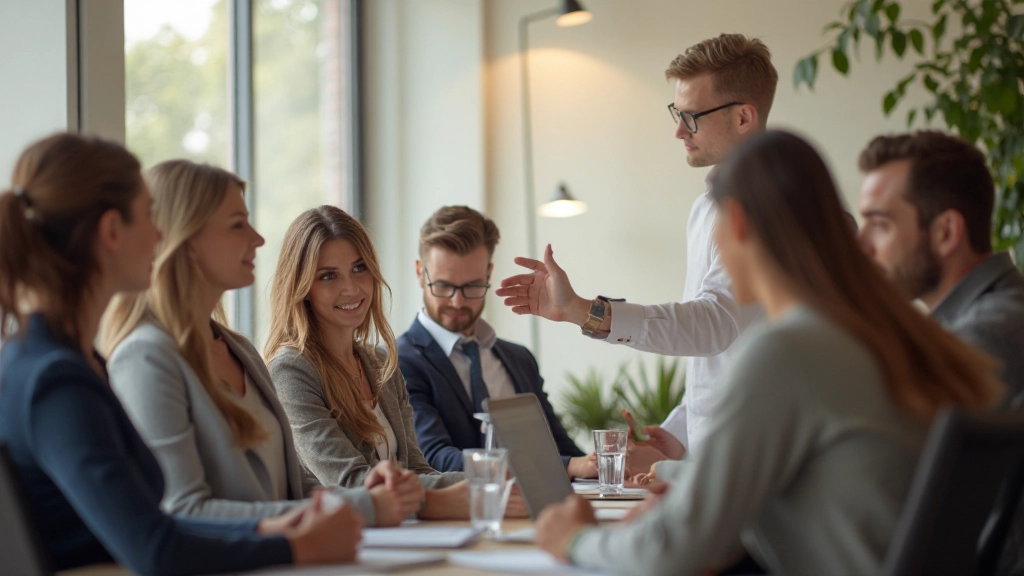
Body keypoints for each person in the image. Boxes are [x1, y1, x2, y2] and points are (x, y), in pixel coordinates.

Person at [533, 130, 1004, 576]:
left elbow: (672, 549)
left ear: (735, 222)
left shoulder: (791, 351)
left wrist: (575, 538)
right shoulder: (882, 336)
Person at [0, 133, 361, 575]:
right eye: (148, 216)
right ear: (112, 231)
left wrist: (284, 532)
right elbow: (154, 548)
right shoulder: (56, 379)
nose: (159, 234)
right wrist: (295, 546)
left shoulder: (63, 361)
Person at [496, 33, 777, 465]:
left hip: (753, 464)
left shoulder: (764, 204)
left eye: (692, 116)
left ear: (743, 117)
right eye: (676, 113)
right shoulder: (709, 205)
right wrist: (677, 432)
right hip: (719, 460)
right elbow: (723, 354)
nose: (679, 130)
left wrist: (583, 311)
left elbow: (714, 322)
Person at [101, 160, 422, 527]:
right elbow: (184, 512)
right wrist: (365, 505)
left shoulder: (240, 349)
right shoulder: (145, 358)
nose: (258, 238)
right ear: (187, 241)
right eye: (238, 224)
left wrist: (368, 495)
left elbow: (292, 491)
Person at [856, 130, 1024, 576]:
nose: (861, 246)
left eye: (881, 223)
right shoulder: (977, 319)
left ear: (947, 231)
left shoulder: (988, 334)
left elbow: (881, 474)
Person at [266, 205, 493, 520]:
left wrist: (494, 481)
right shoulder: (291, 370)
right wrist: (491, 481)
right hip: (347, 544)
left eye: (359, 268)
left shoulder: (379, 363)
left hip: (405, 533)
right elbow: (352, 482)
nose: (351, 288)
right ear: (302, 288)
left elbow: (416, 469)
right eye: (328, 276)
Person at [396, 205, 590, 474]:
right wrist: (567, 466)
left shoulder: (519, 359)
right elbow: (434, 458)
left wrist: (606, 463)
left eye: (473, 286)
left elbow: (561, 449)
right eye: (443, 286)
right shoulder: (397, 363)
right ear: (420, 272)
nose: (457, 301)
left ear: (488, 274)